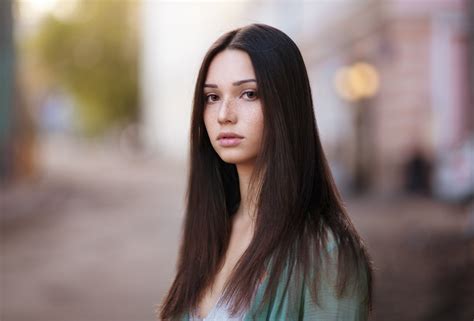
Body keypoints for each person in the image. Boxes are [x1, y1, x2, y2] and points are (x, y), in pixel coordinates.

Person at [158, 23, 373, 321]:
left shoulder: (327, 252)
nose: (224, 115)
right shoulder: (212, 230)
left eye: (248, 94)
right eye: (212, 97)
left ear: (285, 103)